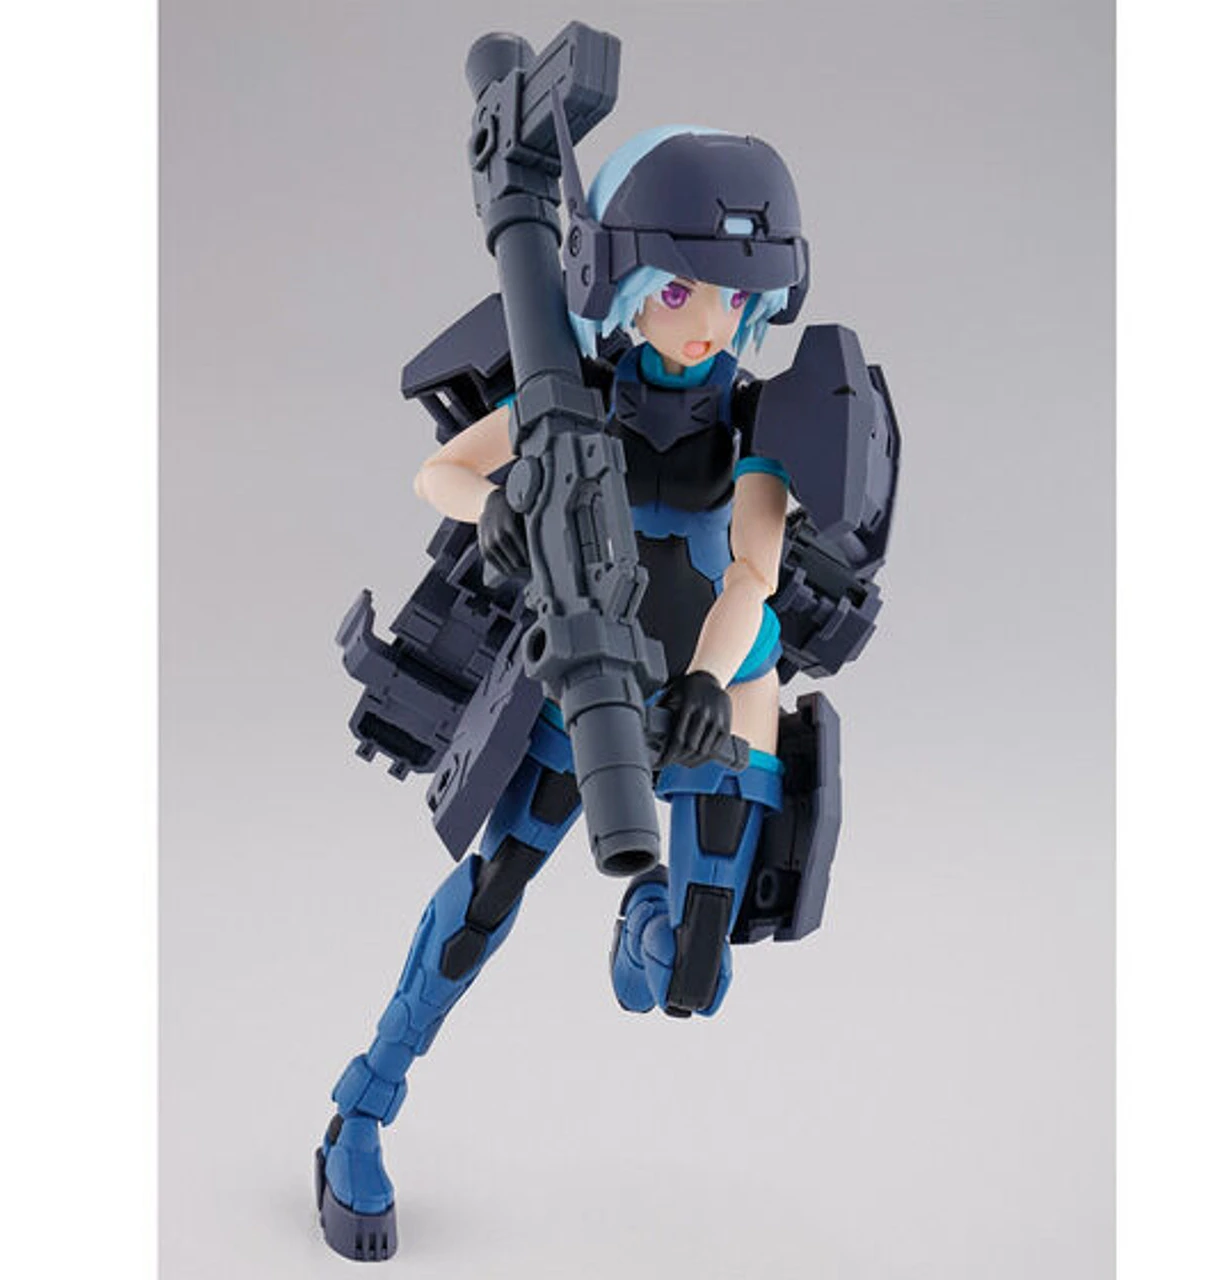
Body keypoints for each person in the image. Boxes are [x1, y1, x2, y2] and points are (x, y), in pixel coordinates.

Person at [318, 125, 816, 1261]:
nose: (708, 323)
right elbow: (440, 471)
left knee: (689, 978)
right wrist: (492, 505)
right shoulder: (568, 396)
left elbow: (750, 575)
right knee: (485, 900)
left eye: (736, 299)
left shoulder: (759, 431)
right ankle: (362, 1107)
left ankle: (646, 923)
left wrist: (707, 676)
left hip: (713, 706)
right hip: (578, 690)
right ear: (623, 284)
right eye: (680, 291)